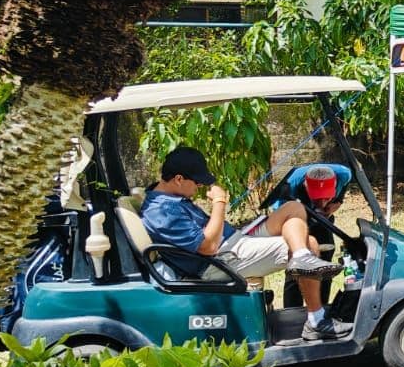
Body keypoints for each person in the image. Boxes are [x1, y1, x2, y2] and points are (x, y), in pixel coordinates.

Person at [140, 146, 352, 342]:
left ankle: (301, 258)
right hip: (218, 260)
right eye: (197, 182)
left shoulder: (170, 199)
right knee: (311, 244)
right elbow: (208, 247)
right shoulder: (161, 211)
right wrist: (219, 202)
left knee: (294, 209)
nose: (200, 186)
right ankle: (316, 321)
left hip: (232, 243)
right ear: (178, 179)